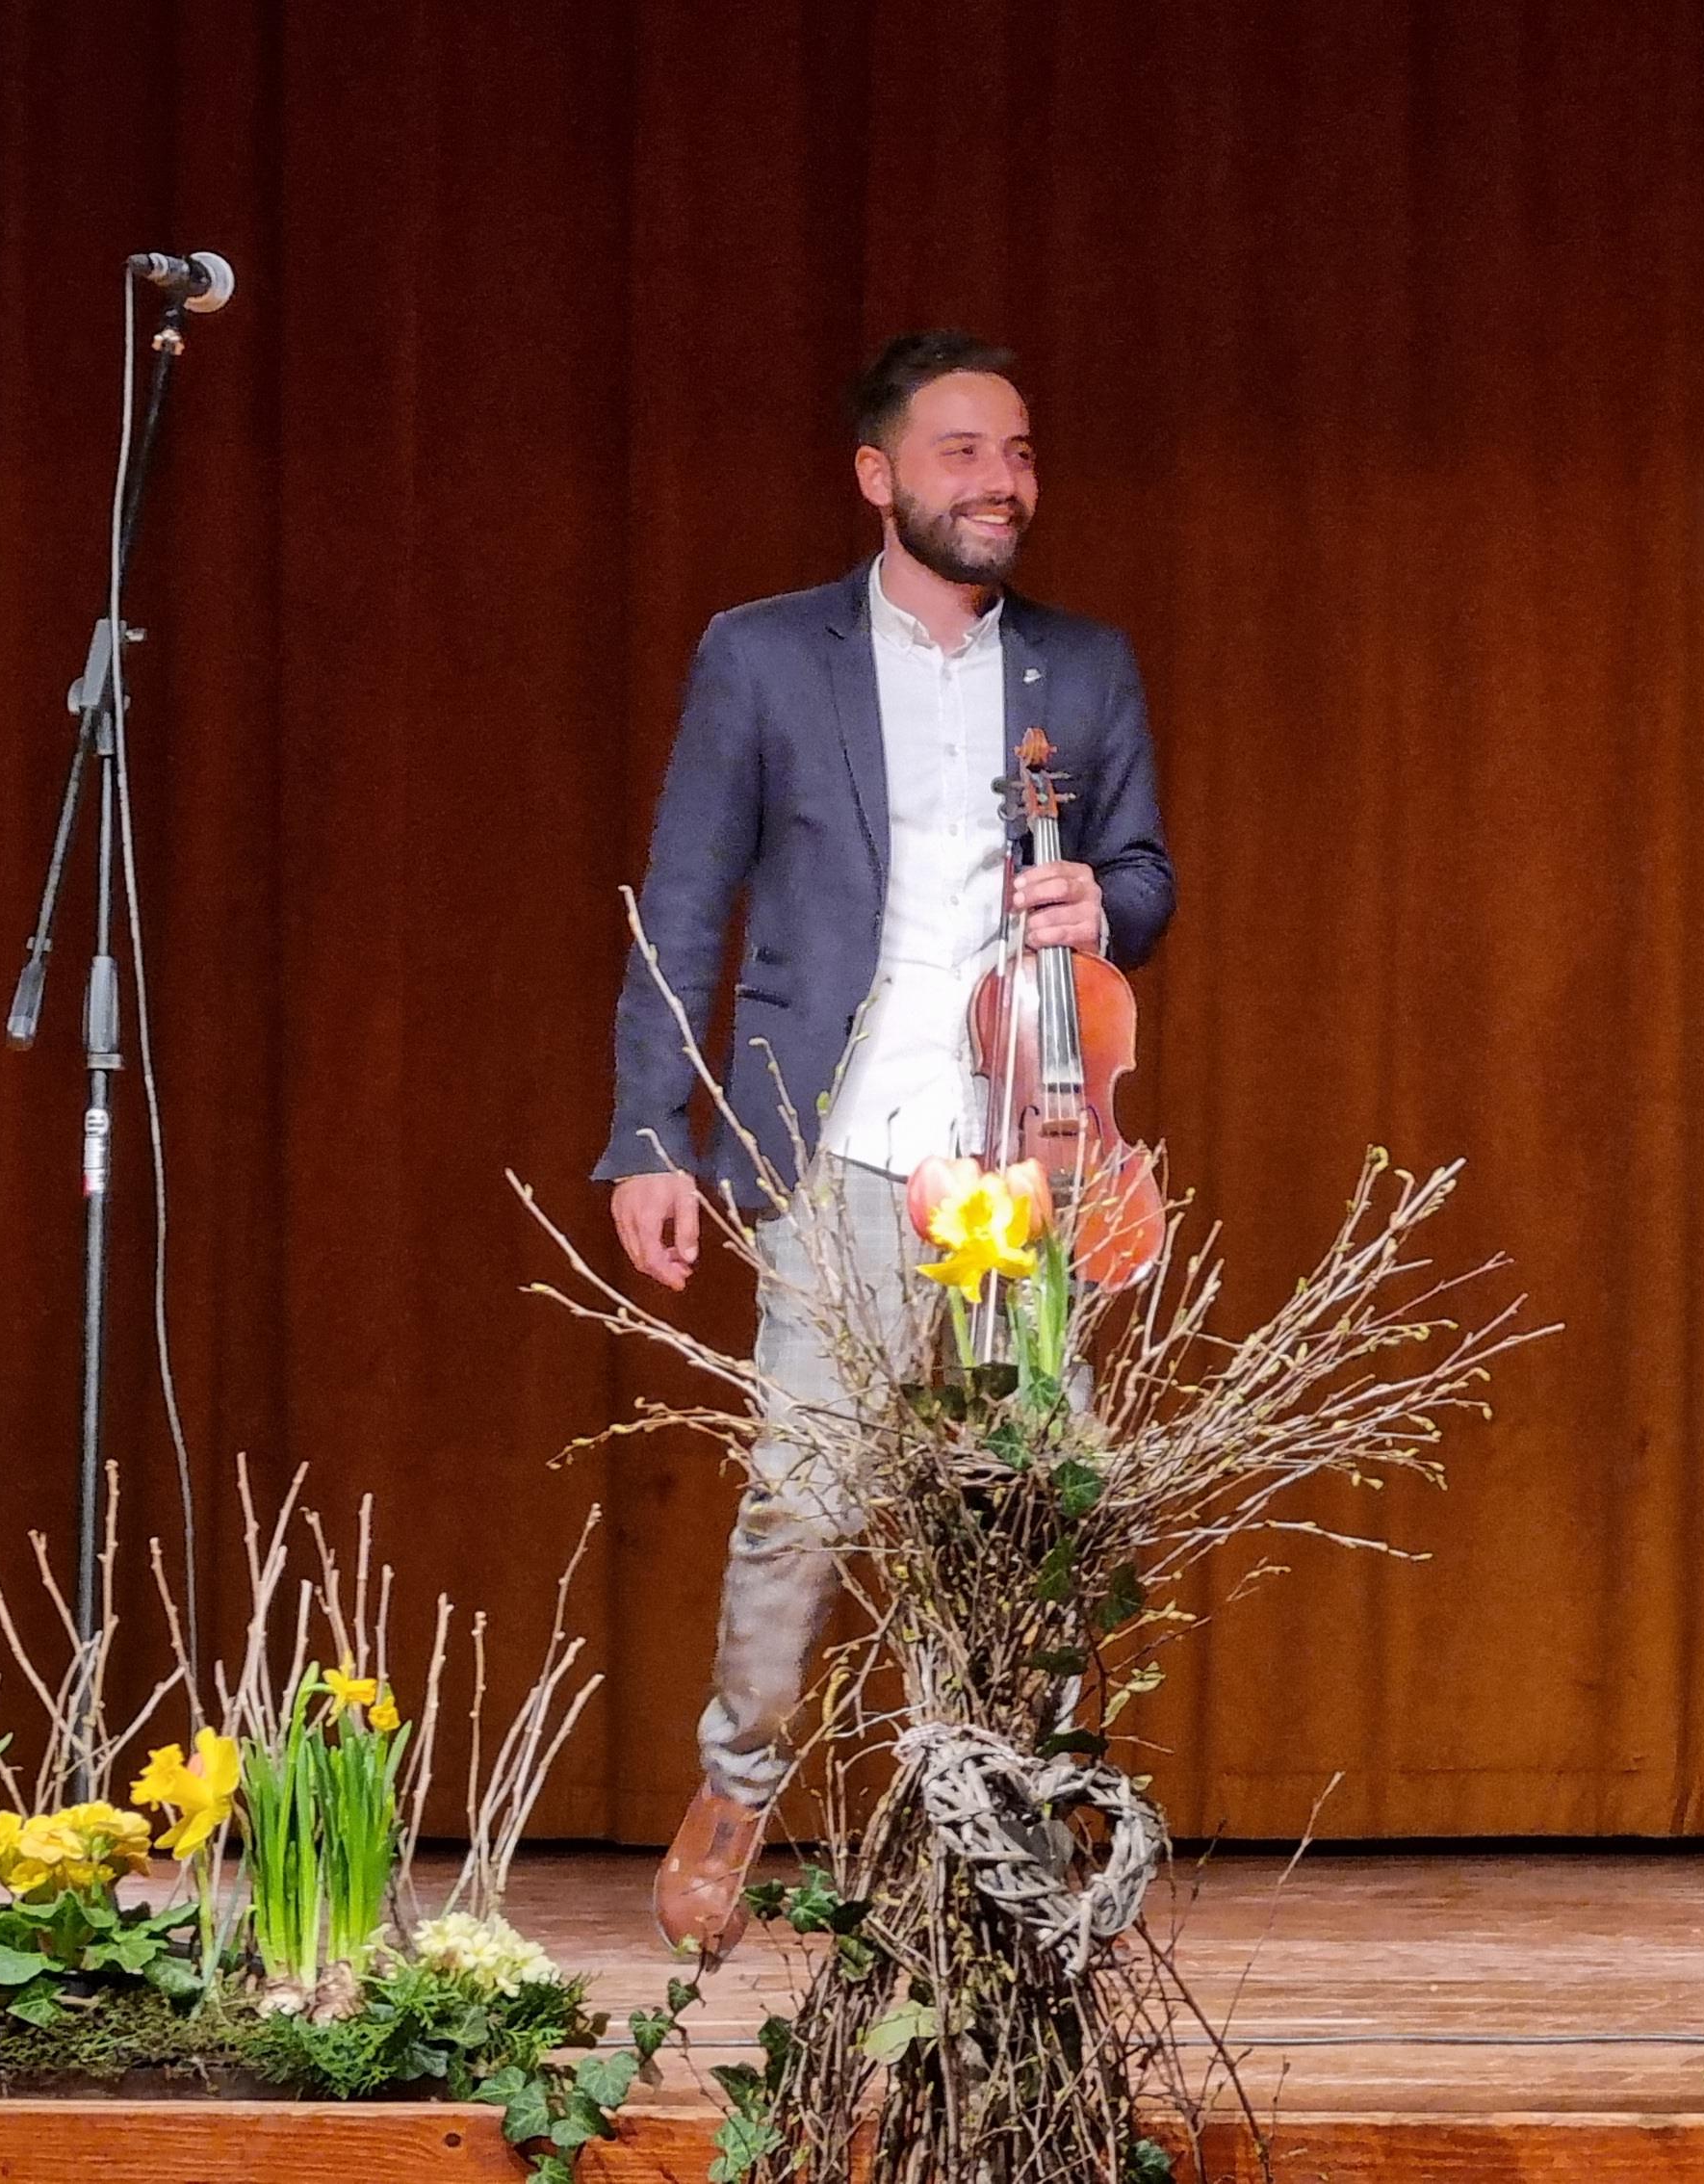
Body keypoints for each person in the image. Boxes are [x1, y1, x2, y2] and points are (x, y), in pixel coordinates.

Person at [598, 329, 1174, 1961]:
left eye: (1019, 452)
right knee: (806, 1496)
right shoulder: (764, 655)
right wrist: (650, 1134)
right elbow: (685, 899)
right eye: (963, 452)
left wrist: (1102, 899)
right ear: (878, 476)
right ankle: (737, 1791)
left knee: (1045, 1499)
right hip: (838, 1136)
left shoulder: (1084, 666)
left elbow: (1147, 875)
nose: (1002, 481)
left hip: (1030, 1142)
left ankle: (1011, 1805)